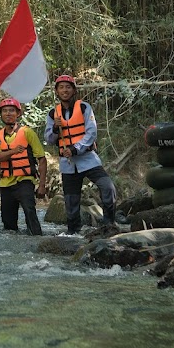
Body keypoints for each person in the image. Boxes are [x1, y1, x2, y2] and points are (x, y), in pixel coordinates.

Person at [43, 75, 117, 235]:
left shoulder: (84, 107)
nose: (65, 90)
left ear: (74, 90)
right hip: (68, 163)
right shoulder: (53, 114)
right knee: (71, 202)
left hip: (88, 159)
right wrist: (55, 129)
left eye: (68, 87)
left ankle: (109, 224)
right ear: (56, 91)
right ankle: (73, 232)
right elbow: (49, 139)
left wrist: (76, 148)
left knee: (107, 188)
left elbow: (91, 132)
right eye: (61, 87)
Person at [0, 98, 47, 235]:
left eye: (11, 111)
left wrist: (42, 185)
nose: (8, 113)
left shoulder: (27, 132)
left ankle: (37, 238)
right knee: (8, 222)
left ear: (18, 114)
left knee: (29, 211)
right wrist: (13, 151)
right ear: (1, 114)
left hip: (25, 180)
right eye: (5, 111)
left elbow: (42, 159)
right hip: (6, 183)